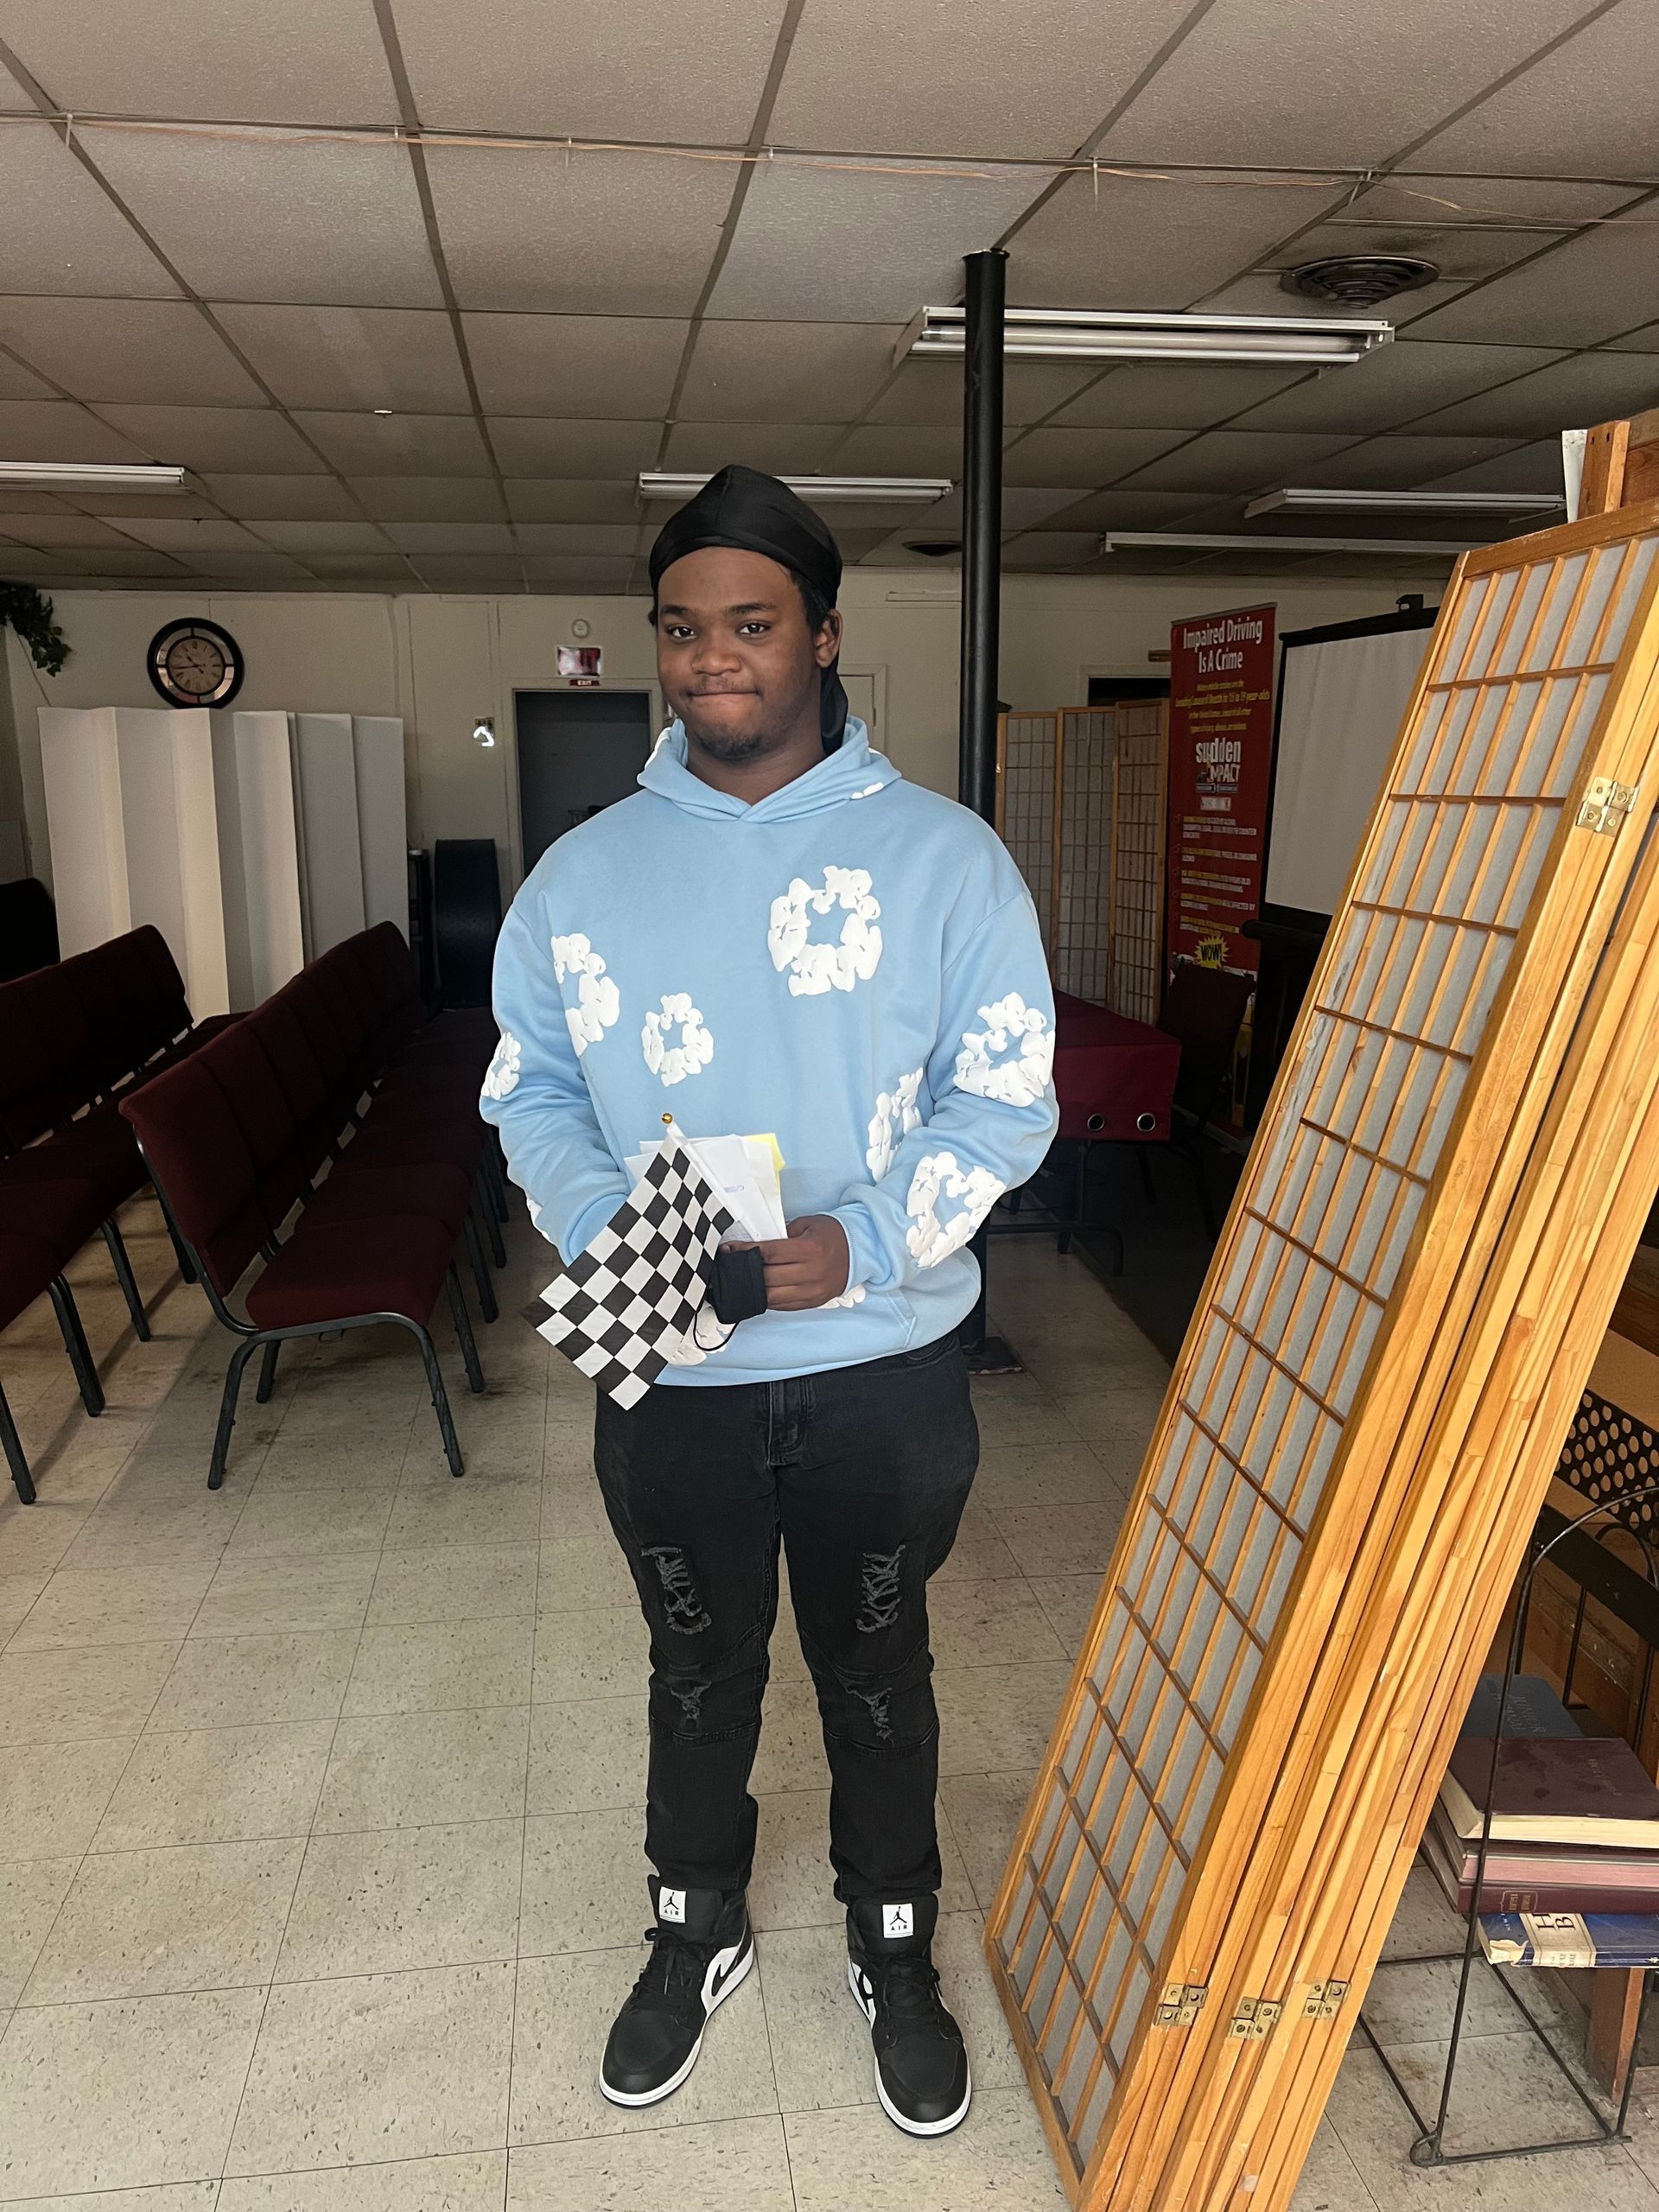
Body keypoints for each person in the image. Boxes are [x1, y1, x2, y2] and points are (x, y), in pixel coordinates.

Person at [481, 465, 1058, 2138]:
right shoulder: (584, 873)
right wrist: (613, 1227)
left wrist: (867, 1237)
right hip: (672, 1351)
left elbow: (1006, 1096)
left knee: (879, 1662)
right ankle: (696, 1925)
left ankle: (895, 1942)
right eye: (682, 628)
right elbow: (529, 1089)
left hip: (881, 1356)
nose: (712, 658)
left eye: (749, 623)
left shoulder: (946, 860)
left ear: (821, 633)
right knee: (695, 1665)